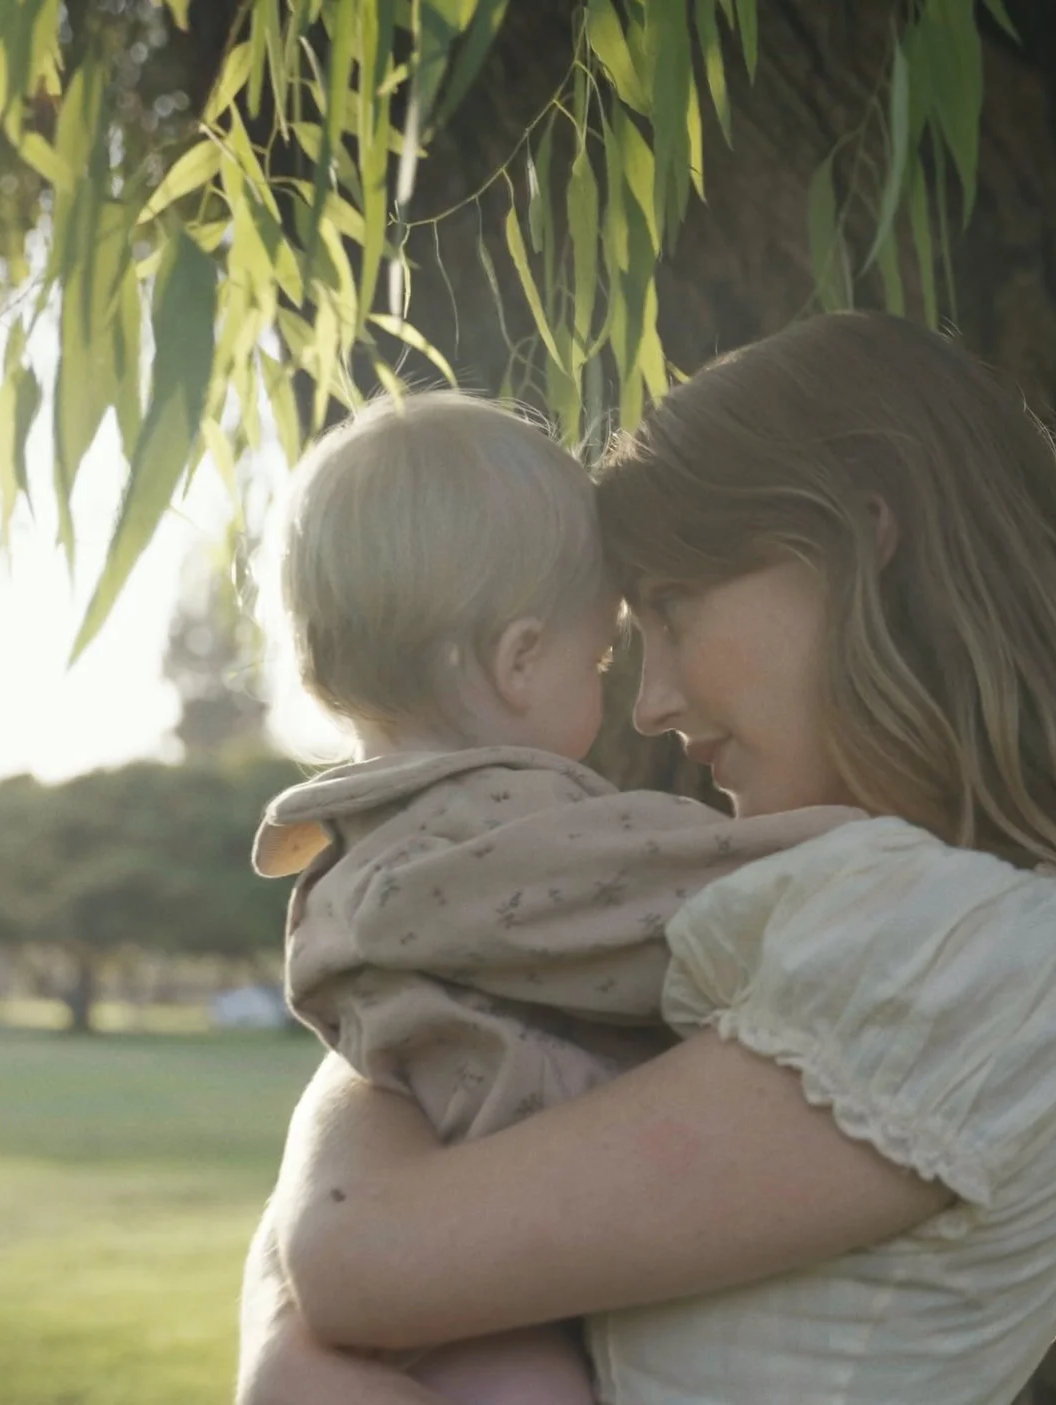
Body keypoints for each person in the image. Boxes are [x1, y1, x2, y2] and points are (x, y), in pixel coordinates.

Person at [239, 312, 1056, 1405]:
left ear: (850, 547)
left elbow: (355, 1262)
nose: (649, 704)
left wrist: (377, 1029)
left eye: (672, 611)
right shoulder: (885, 927)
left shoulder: (1003, 952)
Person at [254, 391, 856, 1404]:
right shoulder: (494, 822)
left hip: (456, 1231)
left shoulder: (367, 832)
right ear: (521, 660)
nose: (627, 692)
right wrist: (872, 844)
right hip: (492, 1269)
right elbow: (687, 894)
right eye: (604, 655)